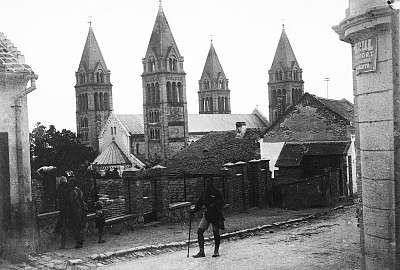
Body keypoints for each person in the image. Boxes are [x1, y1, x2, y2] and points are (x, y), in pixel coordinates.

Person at [191, 178, 225, 258]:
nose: (208, 185)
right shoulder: (204, 193)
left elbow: (222, 202)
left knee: (215, 232)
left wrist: (215, 205)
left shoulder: (217, 192)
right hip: (207, 215)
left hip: (216, 215)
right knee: (200, 231)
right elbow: (199, 203)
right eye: (207, 183)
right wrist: (193, 211)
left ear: (212, 183)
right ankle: (201, 252)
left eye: (209, 183)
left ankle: (216, 251)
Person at [68, 173, 88, 248]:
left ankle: (78, 242)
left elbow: (71, 201)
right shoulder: (79, 190)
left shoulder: (73, 192)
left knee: (77, 227)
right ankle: (80, 241)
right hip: (82, 209)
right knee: (81, 226)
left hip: (76, 210)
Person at [55, 176, 70, 249]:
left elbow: (57, 198)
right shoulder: (69, 187)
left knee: (62, 226)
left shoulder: (59, 188)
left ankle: (62, 244)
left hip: (62, 210)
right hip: (69, 209)